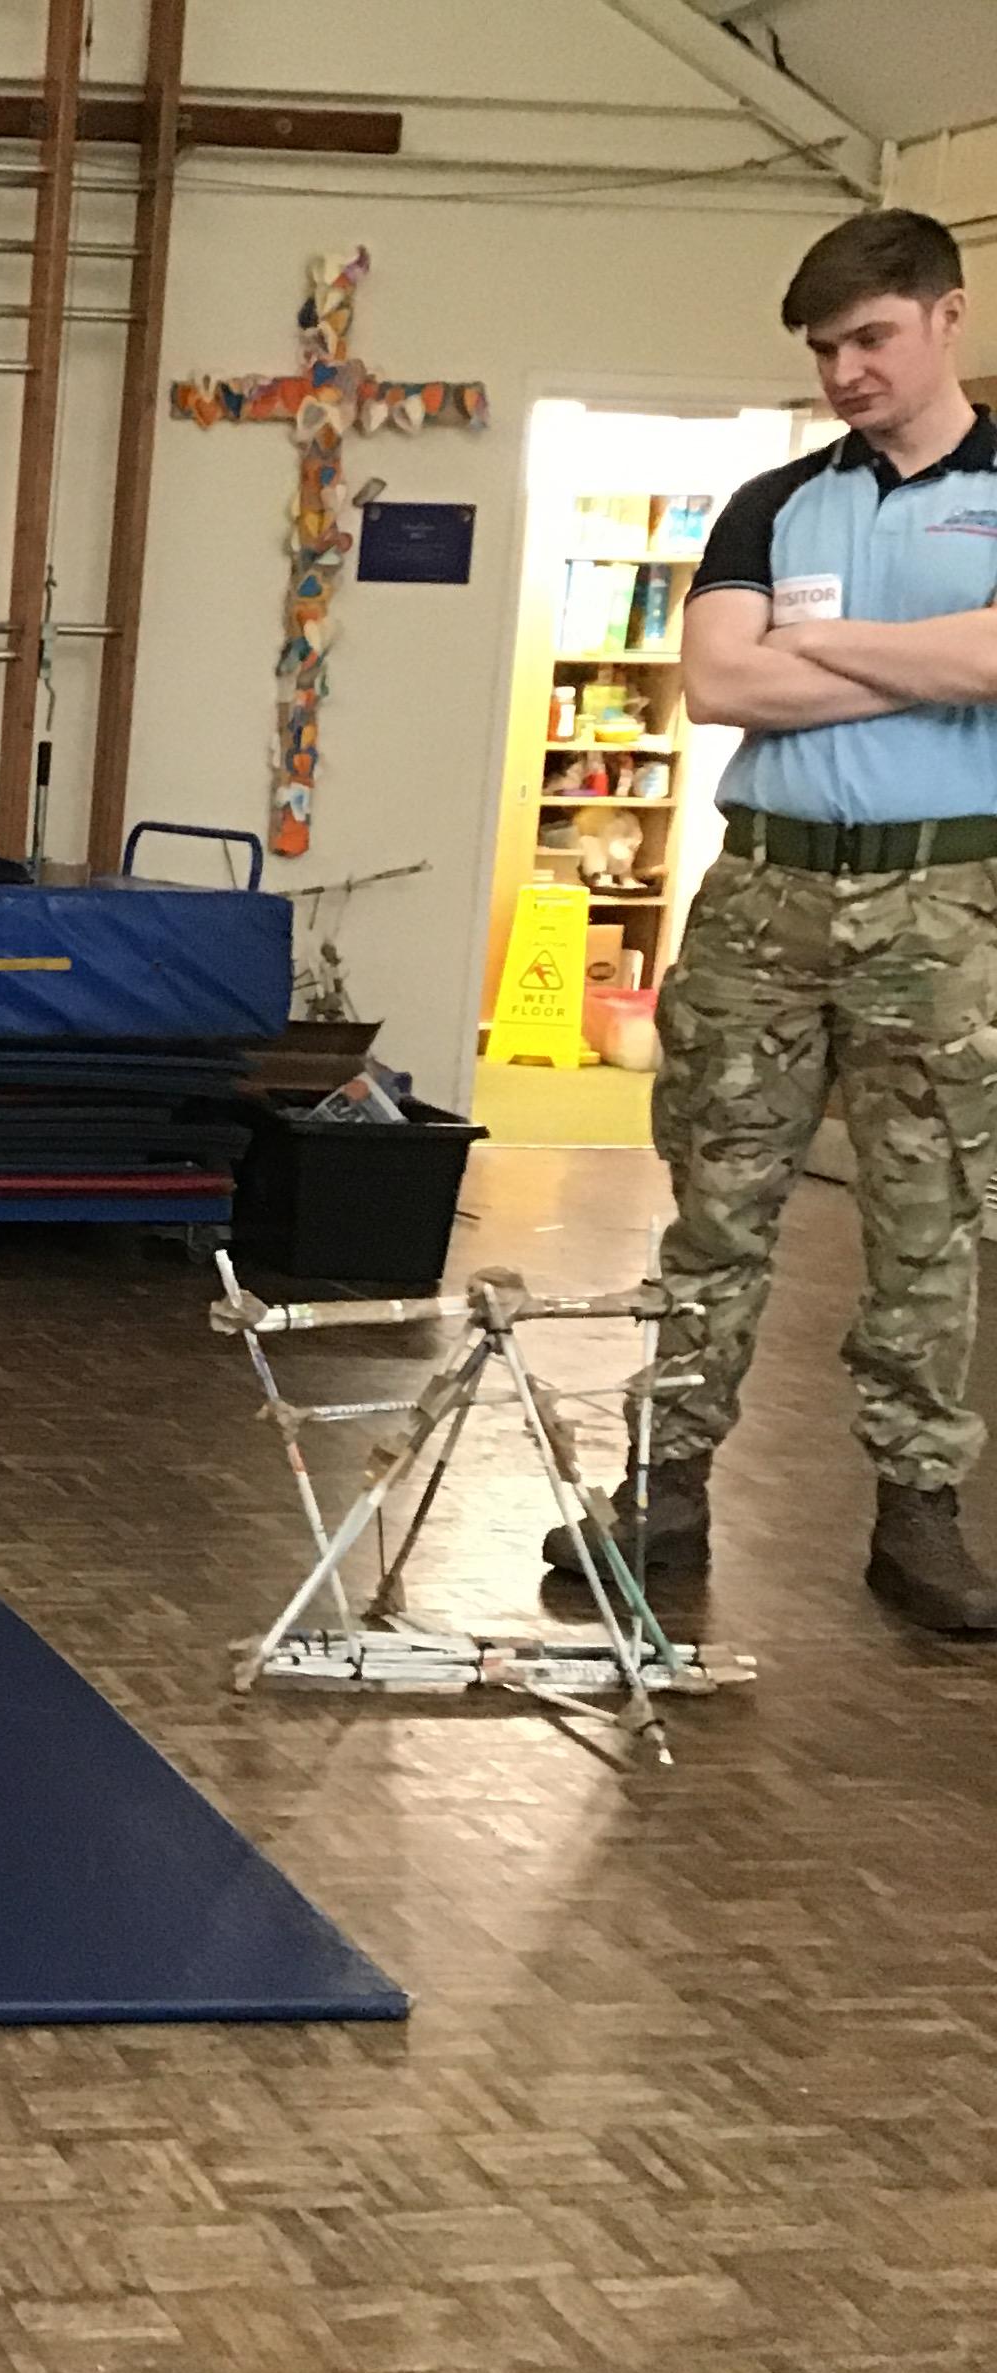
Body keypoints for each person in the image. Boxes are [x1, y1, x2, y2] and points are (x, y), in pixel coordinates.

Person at [547, 208, 997, 1631]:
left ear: (948, 316)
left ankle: (919, 1514)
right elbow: (724, 687)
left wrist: (823, 643)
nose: (847, 373)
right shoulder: (773, 502)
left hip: (944, 901)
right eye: (824, 351)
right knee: (717, 1208)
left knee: (928, 1217)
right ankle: (664, 1491)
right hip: (764, 898)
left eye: (871, 338)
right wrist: (933, 660)